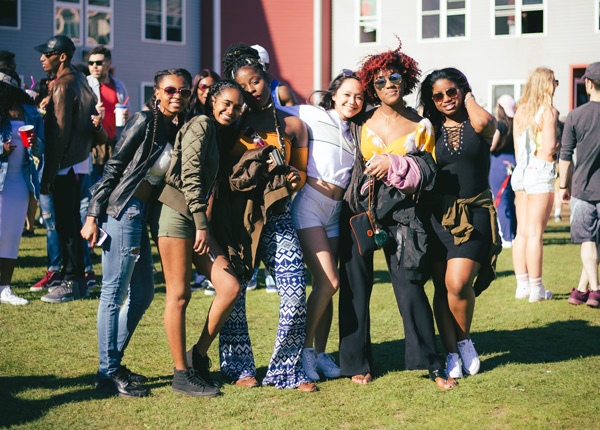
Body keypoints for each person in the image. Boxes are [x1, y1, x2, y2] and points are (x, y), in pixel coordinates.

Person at [338, 44, 455, 390]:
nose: (389, 84)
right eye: (380, 81)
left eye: (395, 78)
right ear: (371, 87)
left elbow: (431, 170)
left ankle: (431, 363)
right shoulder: (359, 120)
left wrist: (396, 163)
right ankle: (355, 362)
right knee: (355, 288)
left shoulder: (421, 124)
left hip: (404, 214)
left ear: (406, 80)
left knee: (410, 287)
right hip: (360, 210)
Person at [81, 68, 191, 398]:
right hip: (122, 209)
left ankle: (111, 362)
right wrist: (92, 214)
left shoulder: (177, 128)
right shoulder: (145, 121)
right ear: (157, 92)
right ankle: (107, 373)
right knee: (113, 294)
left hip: (139, 216)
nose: (177, 97)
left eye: (183, 92)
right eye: (170, 90)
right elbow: (114, 166)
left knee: (143, 294)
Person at [215, 44, 315, 392]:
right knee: (236, 293)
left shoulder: (294, 126)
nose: (251, 90)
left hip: (279, 216)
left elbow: (301, 174)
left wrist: (293, 180)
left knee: (294, 291)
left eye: (255, 81)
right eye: (242, 87)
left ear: (266, 78)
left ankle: (286, 370)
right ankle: (239, 367)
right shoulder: (231, 124)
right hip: (239, 219)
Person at [157, 80, 244, 397]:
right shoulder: (202, 124)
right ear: (211, 100)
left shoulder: (214, 129)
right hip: (177, 216)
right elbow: (191, 175)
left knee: (229, 286)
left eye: (237, 107)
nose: (231, 110)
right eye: (226, 103)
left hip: (193, 220)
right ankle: (181, 375)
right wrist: (201, 223)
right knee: (179, 296)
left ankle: (197, 356)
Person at [277, 70, 365, 381]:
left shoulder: (355, 130)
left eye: (358, 96)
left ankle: (322, 354)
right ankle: (303, 352)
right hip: (310, 204)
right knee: (330, 282)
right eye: (347, 94)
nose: (352, 101)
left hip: (336, 210)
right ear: (334, 94)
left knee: (324, 289)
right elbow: (272, 113)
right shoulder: (312, 114)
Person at [419, 67, 499, 380]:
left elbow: (483, 121)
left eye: (451, 91)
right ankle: (451, 351)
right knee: (442, 286)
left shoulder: (478, 122)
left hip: (475, 211)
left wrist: (468, 98)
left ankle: (464, 340)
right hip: (438, 215)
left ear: (461, 90)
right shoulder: (430, 127)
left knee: (457, 282)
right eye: (437, 95)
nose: (445, 99)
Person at [34, 35, 99, 303]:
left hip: (65, 165)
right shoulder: (81, 80)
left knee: (66, 225)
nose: (41, 58)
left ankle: (72, 281)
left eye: (47, 54)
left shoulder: (62, 86)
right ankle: (77, 281)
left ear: (62, 56)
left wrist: (47, 176)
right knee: (71, 222)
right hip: (80, 162)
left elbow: (59, 136)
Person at [511, 67, 560, 302]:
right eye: (555, 82)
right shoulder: (548, 112)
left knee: (521, 232)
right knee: (535, 234)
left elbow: (517, 148)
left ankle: (522, 285)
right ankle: (537, 288)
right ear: (547, 85)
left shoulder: (520, 111)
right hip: (540, 172)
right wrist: (560, 144)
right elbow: (549, 147)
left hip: (521, 172)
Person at [0, 68, 44, 305]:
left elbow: (41, 148)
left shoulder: (29, 112)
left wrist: (36, 143)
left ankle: (5, 289)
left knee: (11, 236)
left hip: (20, 182)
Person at [559, 62, 600, 308]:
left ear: (588, 84)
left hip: (583, 189)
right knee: (595, 242)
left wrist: (563, 185)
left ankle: (594, 290)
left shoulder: (575, 115)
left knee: (588, 241)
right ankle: (581, 290)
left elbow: (565, 154)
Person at [86, 45, 130, 180]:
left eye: (99, 63)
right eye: (91, 63)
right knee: (91, 191)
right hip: (93, 146)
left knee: (112, 189)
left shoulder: (119, 85)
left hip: (114, 145)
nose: (94, 66)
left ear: (109, 64)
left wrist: (127, 116)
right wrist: (91, 113)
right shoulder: (85, 84)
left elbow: (128, 111)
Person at [489, 94, 517, 248]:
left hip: (500, 164)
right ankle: (513, 233)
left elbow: (492, 145)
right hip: (513, 162)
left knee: (501, 201)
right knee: (510, 201)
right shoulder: (516, 123)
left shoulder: (501, 125)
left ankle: (507, 237)